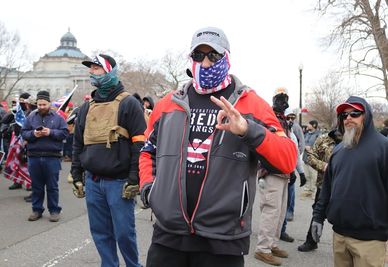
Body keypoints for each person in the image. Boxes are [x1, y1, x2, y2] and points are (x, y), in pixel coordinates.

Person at [139, 26, 297, 267]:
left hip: (223, 240)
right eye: (198, 55)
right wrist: (150, 190)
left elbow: (287, 160)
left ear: (227, 58)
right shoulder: (168, 104)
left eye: (213, 56)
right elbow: (147, 151)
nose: (205, 63)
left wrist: (248, 130)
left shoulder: (251, 104)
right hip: (169, 235)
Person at [71, 54, 145, 267]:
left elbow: (139, 145)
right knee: (100, 233)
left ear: (110, 71)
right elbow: (78, 143)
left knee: (124, 233)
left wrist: (134, 178)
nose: (91, 72)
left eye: (97, 68)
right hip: (93, 182)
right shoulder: (87, 107)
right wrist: (76, 174)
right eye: (91, 68)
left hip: (119, 183)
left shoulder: (129, 104)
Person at [312, 96, 388, 266]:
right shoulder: (338, 150)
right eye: (344, 115)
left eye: (355, 113)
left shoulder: (384, 147)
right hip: (339, 237)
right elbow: (327, 188)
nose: (348, 118)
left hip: (370, 241)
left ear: (366, 115)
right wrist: (318, 217)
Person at [255, 88, 297, 266]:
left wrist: (293, 170)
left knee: (279, 212)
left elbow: (288, 146)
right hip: (270, 171)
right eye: (280, 98)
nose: (283, 102)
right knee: (271, 210)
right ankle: (262, 248)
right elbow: (266, 144)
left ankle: (271, 244)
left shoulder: (285, 122)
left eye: (285, 98)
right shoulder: (269, 118)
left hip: (284, 172)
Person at [21, 90, 68, 222]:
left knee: (52, 186)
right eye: (39, 104)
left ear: (49, 103)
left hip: (52, 157)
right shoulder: (31, 117)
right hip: (34, 156)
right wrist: (33, 134)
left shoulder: (58, 118)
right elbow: (24, 133)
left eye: (44, 104)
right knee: (37, 186)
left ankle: (54, 211)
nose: (41, 107)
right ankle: (37, 210)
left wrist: (51, 132)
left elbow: (65, 134)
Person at [297, 128, 342, 252]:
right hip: (324, 185)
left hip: (345, 187)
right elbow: (310, 157)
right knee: (318, 213)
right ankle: (311, 241)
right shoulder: (323, 139)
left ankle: (345, 248)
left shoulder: (356, 140)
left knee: (343, 215)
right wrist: (325, 166)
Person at [301, 120, 321, 198]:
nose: (307, 126)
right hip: (306, 158)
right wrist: (304, 147)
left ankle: (314, 192)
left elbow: (321, 146)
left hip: (314, 159)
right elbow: (302, 143)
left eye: (309, 125)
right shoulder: (306, 134)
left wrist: (311, 148)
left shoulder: (319, 135)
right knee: (307, 176)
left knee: (314, 177)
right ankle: (307, 190)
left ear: (314, 125)